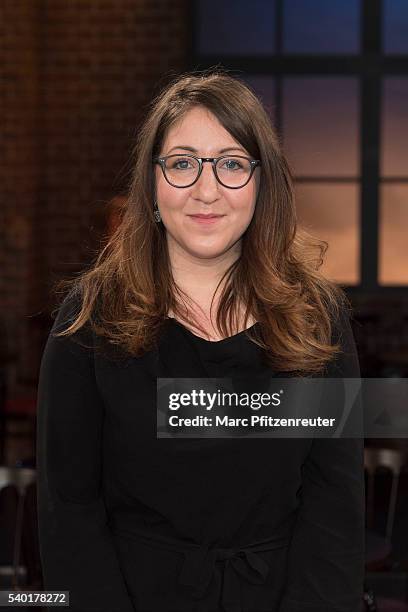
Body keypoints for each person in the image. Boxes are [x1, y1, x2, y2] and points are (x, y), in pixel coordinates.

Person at [36, 69, 365, 612]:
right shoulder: (90, 318)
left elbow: (336, 501)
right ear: (152, 181)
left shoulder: (317, 317)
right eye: (183, 163)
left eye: (232, 164)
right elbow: (68, 508)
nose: (206, 190)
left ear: (263, 183)